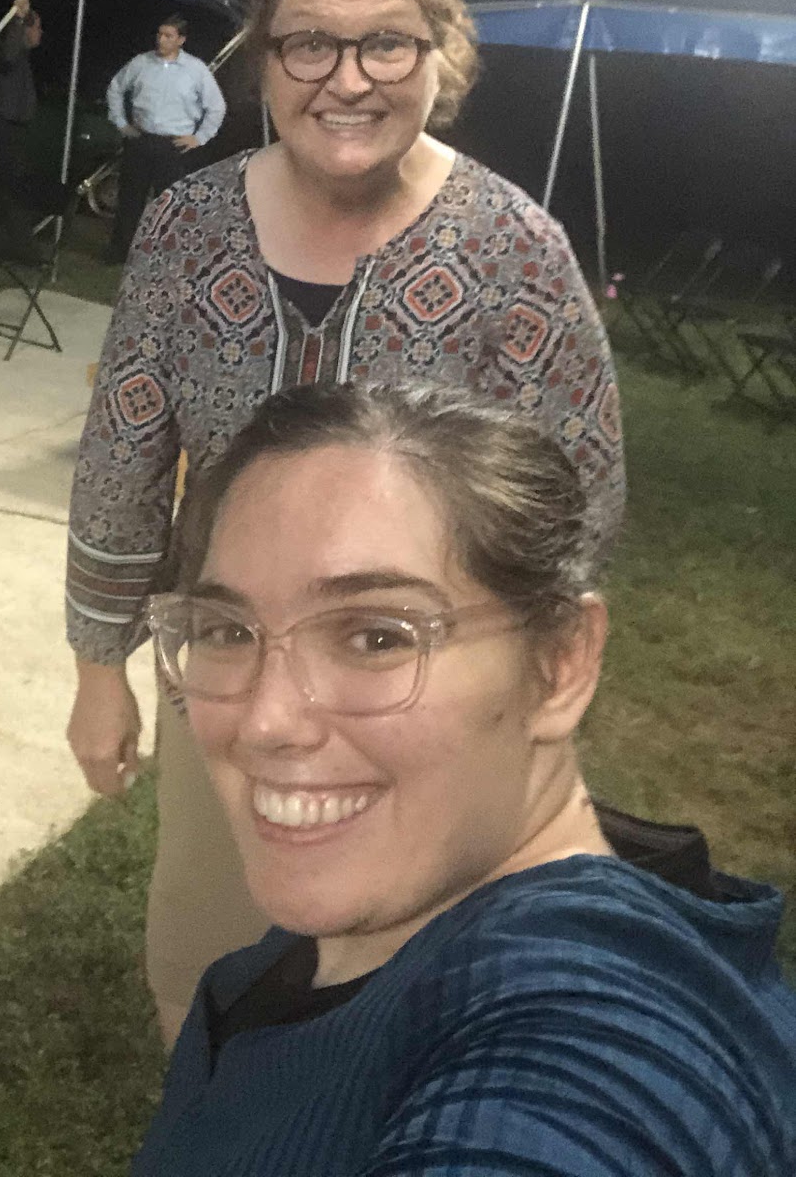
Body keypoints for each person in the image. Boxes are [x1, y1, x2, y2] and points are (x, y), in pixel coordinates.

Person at [65, 0, 627, 1044]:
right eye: (309, 42)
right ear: (264, 58)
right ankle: (217, 1119)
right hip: (230, 675)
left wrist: (507, 692)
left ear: (439, 52)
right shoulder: (184, 230)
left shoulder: (513, 250)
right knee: (205, 956)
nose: (347, 78)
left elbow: (575, 502)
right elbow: (124, 450)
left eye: (386, 42)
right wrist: (96, 666)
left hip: (423, 699)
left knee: (414, 995)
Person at [134, 383, 796, 1176]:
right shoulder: (397, 911)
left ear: (559, 664)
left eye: (377, 637)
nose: (265, 721)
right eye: (226, 630)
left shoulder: (598, 1040)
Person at [105, 14, 226, 262]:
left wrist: (199, 137)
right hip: (142, 139)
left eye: (168, 36)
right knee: (130, 199)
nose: (161, 40)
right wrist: (121, 123)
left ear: (181, 40)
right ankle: (121, 252)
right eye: (160, 34)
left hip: (173, 145)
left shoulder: (195, 69)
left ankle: (163, 256)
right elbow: (116, 88)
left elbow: (216, 106)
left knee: (170, 203)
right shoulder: (141, 63)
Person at [0, 0, 43, 259]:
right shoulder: (4, 50)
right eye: (37, 27)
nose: (40, 33)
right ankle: (21, 247)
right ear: (25, 30)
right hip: (2, 128)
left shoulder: (20, 56)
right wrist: (18, 19)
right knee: (13, 188)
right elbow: (8, 55)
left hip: (9, 128)